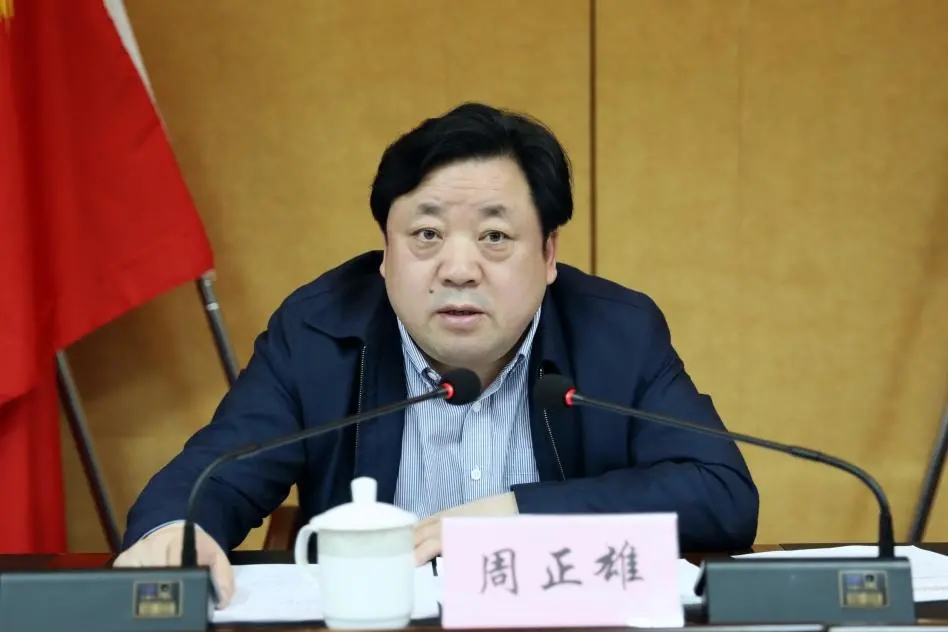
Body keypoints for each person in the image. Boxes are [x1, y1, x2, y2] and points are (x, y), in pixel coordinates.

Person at [113, 102, 759, 607]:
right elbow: (215, 472)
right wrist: (174, 532)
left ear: (548, 254)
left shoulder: (616, 332)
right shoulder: (319, 333)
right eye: (426, 234)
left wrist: (516, 516)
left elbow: (721, 493)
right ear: (386, 252)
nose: (458, 268)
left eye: (495, 236)